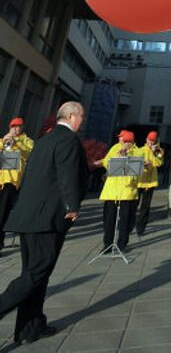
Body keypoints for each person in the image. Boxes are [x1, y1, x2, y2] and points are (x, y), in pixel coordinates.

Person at [0, 102, 87, 346]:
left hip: (29, 217)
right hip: (47, 220)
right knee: (37, 273)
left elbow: (31, 176)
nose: (83, 120)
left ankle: (30, 327)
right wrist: (72, 207)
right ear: (71, 116)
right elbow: (67, 174)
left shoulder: (43, 140)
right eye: (81, 116)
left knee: (36, 274)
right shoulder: (68, 140)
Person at [97, 130, 140, 251]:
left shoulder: (137, 151)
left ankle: (122, 244)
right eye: (122, 140)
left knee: (125, 220)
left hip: (127, 192)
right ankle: (107, 244)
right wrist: (118, 158)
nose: (123, 142)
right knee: (109, 220)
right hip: (112, 191)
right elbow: (106, 162)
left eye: (126, 141)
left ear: (131, 142)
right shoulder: (115, 148)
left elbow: (138, 171)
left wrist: (128, 156)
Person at [0, 117, 34, 253]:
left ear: (22, 128)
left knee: (2, 214)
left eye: (18, 126)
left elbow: (29, 153)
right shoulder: (5, 139)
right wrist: (4, 142)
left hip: (12, 182)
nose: (15, 129)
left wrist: (16, 144)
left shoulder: (26, 141)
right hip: (1, 180)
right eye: (13, 126)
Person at [133, 131, 164, 237]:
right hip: (139, 182)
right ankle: (129, 225)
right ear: (146, 139)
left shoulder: (158, 151)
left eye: (153, 141)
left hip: (150, 183)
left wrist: (155, 152)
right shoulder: (140, 150)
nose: (151, 143)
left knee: (145, 207)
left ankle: (141, 228)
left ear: (156, 141)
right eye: (149, 140)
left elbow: (159, 163)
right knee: (133, 205)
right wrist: (143, 164)